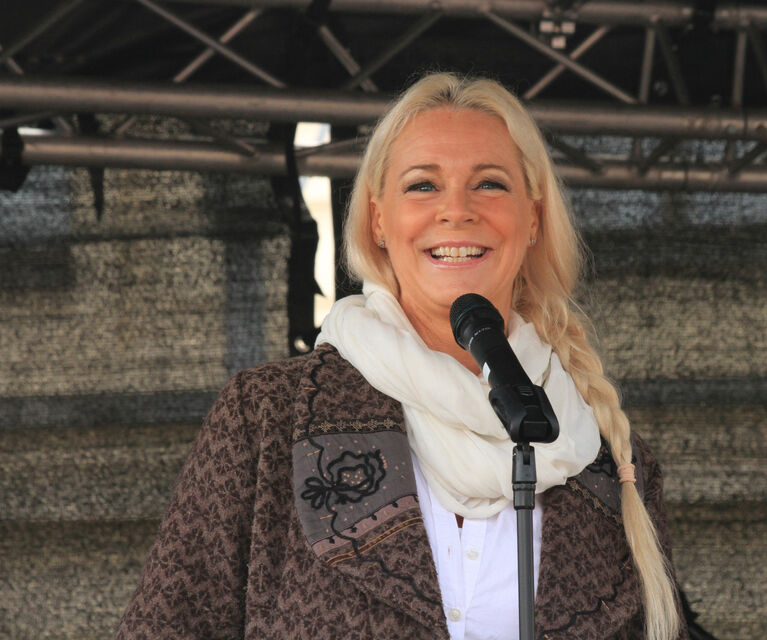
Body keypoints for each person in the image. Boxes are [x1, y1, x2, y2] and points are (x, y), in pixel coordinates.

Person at [116, 72, 688, 640]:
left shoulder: (609, 461)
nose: (456, 210)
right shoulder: (267, 416)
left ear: (533, 219)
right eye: (423, 186)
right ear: (378, 220)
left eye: (490, 184)